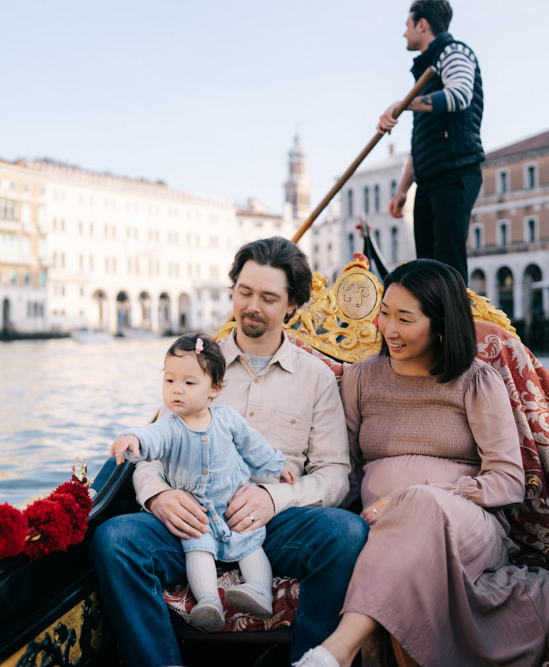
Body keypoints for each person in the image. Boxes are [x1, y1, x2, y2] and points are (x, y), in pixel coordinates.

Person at [91, 237, 369, 666]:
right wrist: (160, 497)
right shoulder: (196, 364)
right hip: (192, 522)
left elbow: (335, 475)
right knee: (115, 539)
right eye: (244, 292)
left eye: (268, 297)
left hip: (274, 526)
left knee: (346, 534)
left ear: (292, 304)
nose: (251, 306)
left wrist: (273, 498)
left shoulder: (315, 377)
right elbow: (152, 451)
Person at [294, 259, 549, 667]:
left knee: (420, 502)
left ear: (439, 324)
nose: (389, 329)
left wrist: (414, 498)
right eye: (384, 313)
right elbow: (339, 466)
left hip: (468, 526)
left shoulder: (476, 380)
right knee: (402, 532)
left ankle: (336, 652)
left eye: (405, 318)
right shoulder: (361, 379)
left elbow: (508, 480)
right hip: (381, 528)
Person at [110, 333, 296, 632]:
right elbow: (151, 438)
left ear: (215, 388)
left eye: (188, 382)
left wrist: (278, 465)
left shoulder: (227, 419)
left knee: (249, 543)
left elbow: (254, 446)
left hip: (234, 504)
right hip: (198, 513)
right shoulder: (170, 426)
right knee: (197, 547)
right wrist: (133, 437)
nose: (176, 390)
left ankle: (259, 590)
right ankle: (208, 601)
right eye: (169, 380)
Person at [378, 0, 484, 283]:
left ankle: (456, 326)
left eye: (407, 26)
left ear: (422, 24)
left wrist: (403, 104)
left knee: (448, 265)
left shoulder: (454, 52)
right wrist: (402, 190)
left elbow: (460, 96)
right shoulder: (425, 75)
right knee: (426, 267)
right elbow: (422, 141)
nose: (404, 33)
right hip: (428, 181)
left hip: (455, 172)